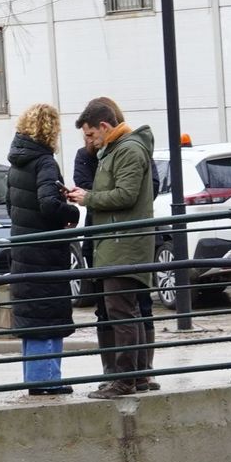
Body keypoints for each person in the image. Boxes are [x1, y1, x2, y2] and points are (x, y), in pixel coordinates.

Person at [65, 97, 157, 399]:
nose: (89, 141)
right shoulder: (117, 149)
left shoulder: (128, 149)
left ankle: (125, 380)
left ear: (104, 126)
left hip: (123, 244)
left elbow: (126, 195)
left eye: (91, 134)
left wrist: (88, 198)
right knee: (125, 310)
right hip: (116, 242)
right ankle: (138, 376)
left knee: (122, 311)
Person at [6, 103, 79, 396]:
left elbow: (12, 206)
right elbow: (49, 204)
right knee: (48, 316)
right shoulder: (45, 162)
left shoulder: (16, 162)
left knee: (32, 317)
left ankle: (34, 378)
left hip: (22, 251)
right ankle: (48, 380)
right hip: (45, 253)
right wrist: (70, 213)